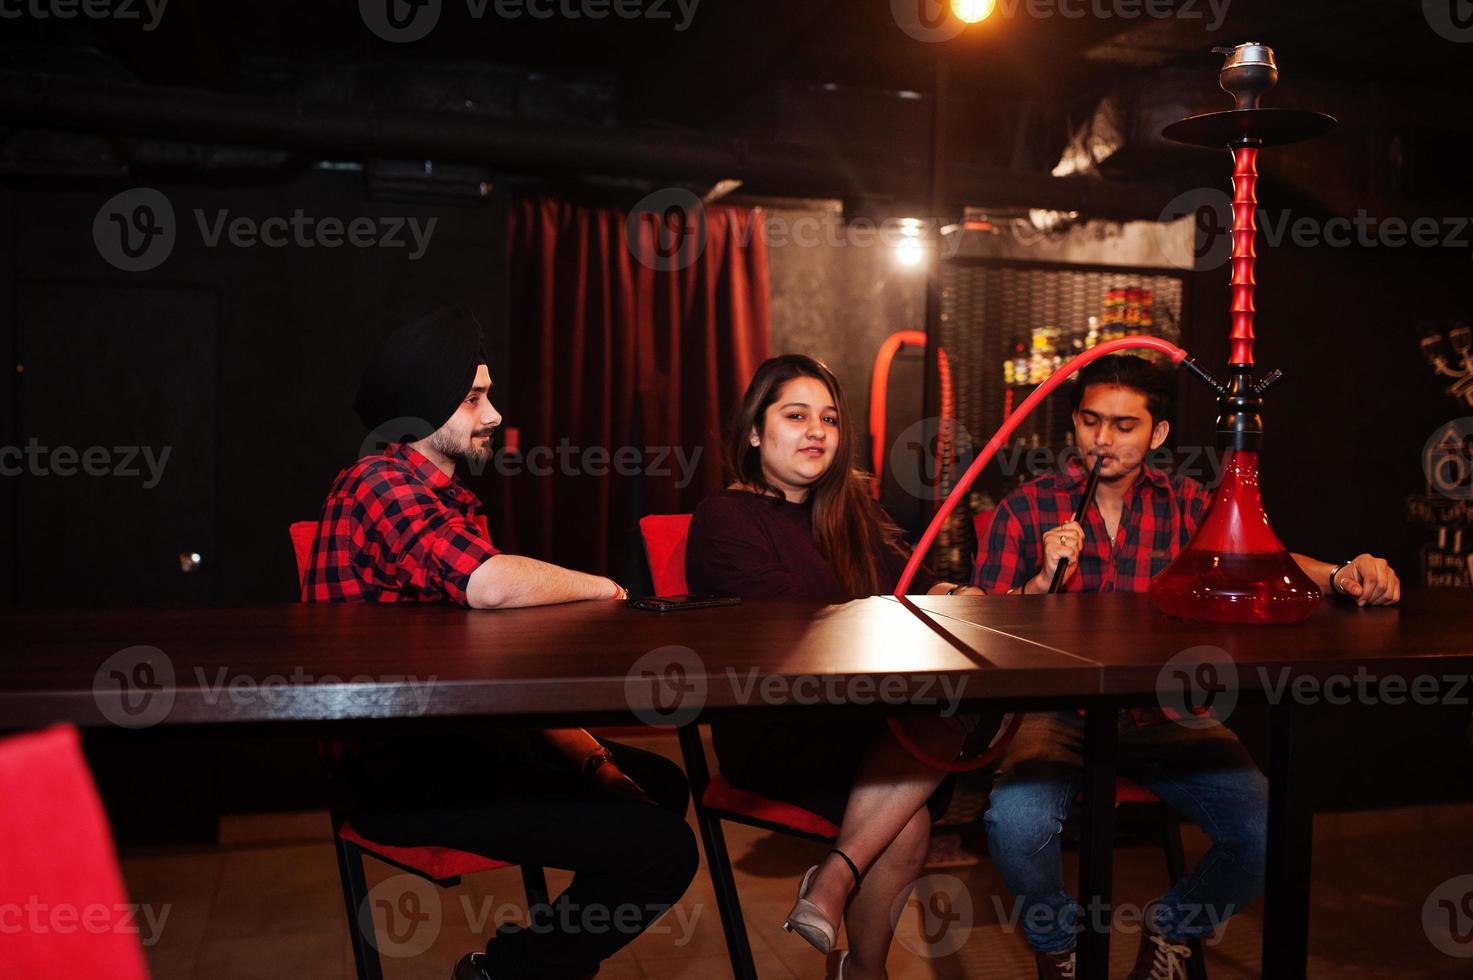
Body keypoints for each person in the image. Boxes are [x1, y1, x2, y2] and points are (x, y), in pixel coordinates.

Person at [974, 353, 1401, 980]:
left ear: (1159, 433)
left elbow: (1270, 560)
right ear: (1074, 424)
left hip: (1166, 710)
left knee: (1264, 829)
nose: (1102, 439)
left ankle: (1175, 928)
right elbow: (985, 634)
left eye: (1124, 425)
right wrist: (1042, 580)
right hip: (1057, 711)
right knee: (1013, 825)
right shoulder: (1026, 508)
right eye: (1091, 421)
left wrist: (1342, 573)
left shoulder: (1190, 504)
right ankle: (1061, 945)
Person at [304, 306, 699, 980]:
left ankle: (533, 966)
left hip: (464, 742)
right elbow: (486, 584)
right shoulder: (380, 482)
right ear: (421, 405)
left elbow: (502, 668)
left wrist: (591, 758)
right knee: (664, 850)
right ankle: (511, 972)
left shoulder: (447, 498)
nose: (493, 415)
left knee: (658, 782)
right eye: (473, 397)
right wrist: (606, 588)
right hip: (399, 770)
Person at [686, 353, 1003, 980]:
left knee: (936, 757)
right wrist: (898, 613)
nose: (816, 431)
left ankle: (840, 899)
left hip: (863, 720)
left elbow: (911, 584)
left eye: (828, 418)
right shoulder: (725, 517)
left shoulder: (851, 510)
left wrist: (954, 596)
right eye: (796, 415)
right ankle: (854, 943)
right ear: (754, 432)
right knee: (917, 783)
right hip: (778, 728)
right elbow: (800, 630)